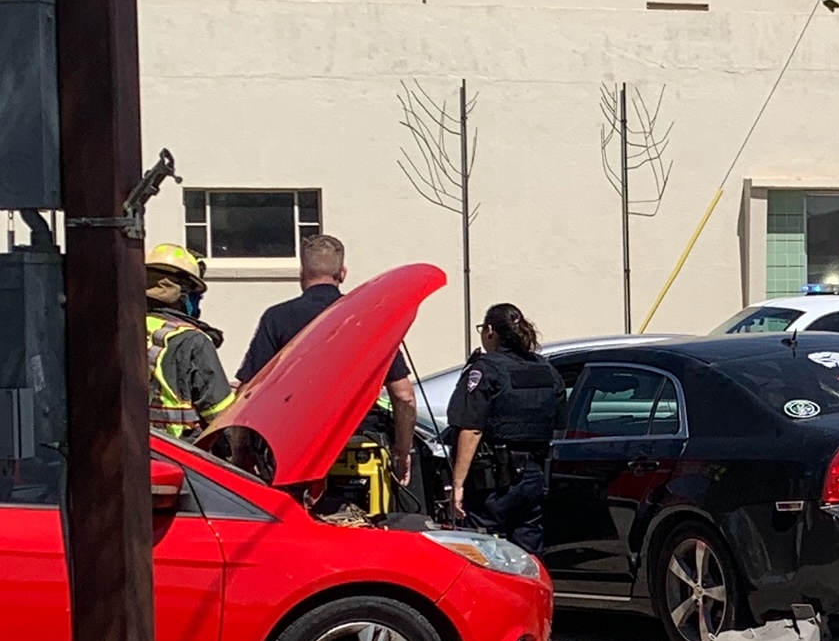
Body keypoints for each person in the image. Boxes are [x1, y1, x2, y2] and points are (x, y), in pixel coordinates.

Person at [239, 234, 419, 485]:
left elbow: (249, 391)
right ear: (342, 273)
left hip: (292, 452)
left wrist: (241, 451)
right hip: (358, 449)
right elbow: (404, 396)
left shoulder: (277, 318)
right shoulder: (368, 319)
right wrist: (402, 453)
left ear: (302, 272)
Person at [445, 303, 564, 552]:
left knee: (480, 550)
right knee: (528, 553)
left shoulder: (486, 370)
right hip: (533, 477)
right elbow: (560, 423)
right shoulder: (547, 370)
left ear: (490, 331)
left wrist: (458, 485)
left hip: (492, 483)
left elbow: (471, 429)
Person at [143, 243, 235, 437]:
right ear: (184, 296)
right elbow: (221, 418)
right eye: (197, 297)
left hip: (130, 452)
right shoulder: (193, 340)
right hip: (177, 454)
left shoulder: (124, 329)